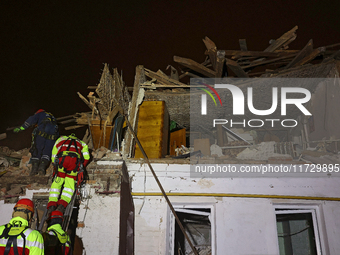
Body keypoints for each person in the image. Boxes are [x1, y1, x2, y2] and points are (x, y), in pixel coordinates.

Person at [47, 134, 90, 214]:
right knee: (69, 186)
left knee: (57, 183)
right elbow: (87, 157)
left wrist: (54, 163)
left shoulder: (61, 139)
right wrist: (81, 167)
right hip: (74, 164)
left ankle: (52, 204)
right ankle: (62, 205)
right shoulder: (82, 143)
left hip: (61, 162)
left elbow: (54, 151)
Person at [13, 109, 59, 176]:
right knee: (47, 151)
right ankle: (42, 170)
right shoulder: (52, 117)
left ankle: (34, 170)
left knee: (37, 149)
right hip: (53, 135)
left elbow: (30, 120)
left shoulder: (40, 114)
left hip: (42, 132)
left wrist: (21, 128)